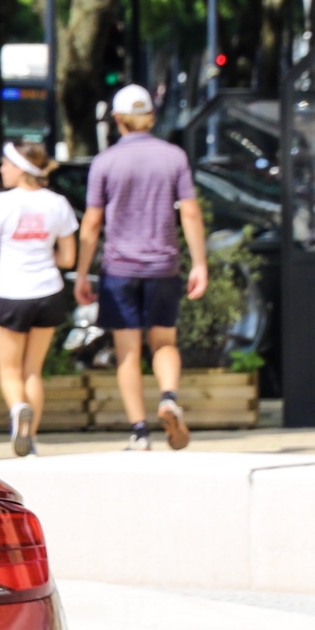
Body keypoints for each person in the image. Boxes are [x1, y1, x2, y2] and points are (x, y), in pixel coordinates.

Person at [75, 85, 208, 451]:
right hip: (163, 265)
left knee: (128, 352)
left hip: (120, 268)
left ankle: (139, 432)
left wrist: (83, 272)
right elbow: (191, 212)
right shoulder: (174, 157)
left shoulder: (105, 162)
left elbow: (92, 222)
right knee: (164, 341)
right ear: (151, 116)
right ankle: (168, 398)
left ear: (117, 120)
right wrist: (199, 263)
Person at [0, 140, 80, 455]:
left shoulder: (2, 203)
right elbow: (67, 259)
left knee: (9, 370)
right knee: (33, 369)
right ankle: (30, 439)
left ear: (21, 169)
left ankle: (18, 408)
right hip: (48, 292)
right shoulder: (59, 203)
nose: (1, 170)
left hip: (12, 292)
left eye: (6, 164)